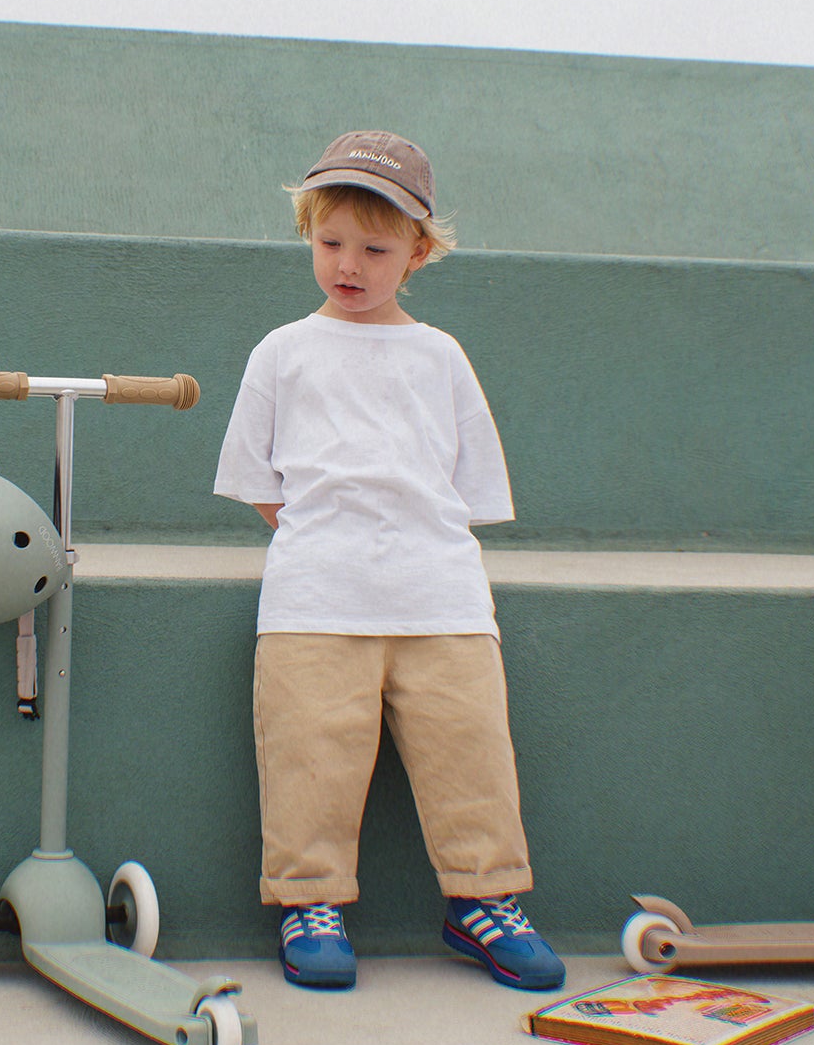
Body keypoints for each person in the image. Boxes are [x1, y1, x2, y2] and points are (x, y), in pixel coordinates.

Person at [213, 130, 565, 993]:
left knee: (469, 750)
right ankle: (310, 900)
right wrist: (330, 543)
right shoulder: (281, 350)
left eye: (375, 248)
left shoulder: (440, 356)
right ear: (307, 232)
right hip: (313, 599)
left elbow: (467, 486)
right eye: (330, 241)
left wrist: (403, 545)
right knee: (309, 753)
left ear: (417, 250)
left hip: (440, 598)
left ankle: (482, 900)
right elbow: (260, 480)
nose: (350, 264)